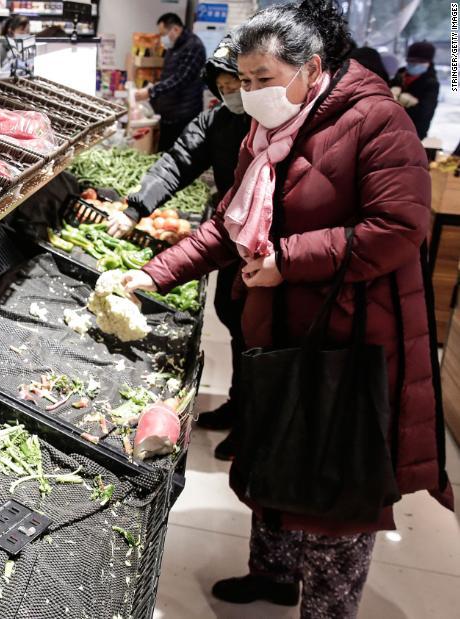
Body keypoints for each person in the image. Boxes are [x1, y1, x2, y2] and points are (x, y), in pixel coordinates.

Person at [123, 1, 454, 616]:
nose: (250, 94)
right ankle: (272, 574)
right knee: (273, 454)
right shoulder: (267, 132)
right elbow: (227, 225)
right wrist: (150, 272)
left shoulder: (378, 121)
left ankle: (327, 609)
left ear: (312, 67)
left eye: (263, 79)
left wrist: (287, 259)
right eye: (243, 82)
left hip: (350, 335)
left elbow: (397, 227)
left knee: (334, 481)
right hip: (276, 331)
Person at [108, 36, 252, 460]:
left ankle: (251, 423)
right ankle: (238, 403)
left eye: (237, 84)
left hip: (266, 247)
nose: (230, 93)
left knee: (256, 335)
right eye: (223, 85)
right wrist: (136, 207)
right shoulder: (218, 121)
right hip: (230, 239)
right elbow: (177, 162)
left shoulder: (272, 127)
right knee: (234, 318)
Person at [135, 13, 207, 152]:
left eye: (163, 34)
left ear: (175, 29)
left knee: (177, 156)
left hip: (183, 114)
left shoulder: (194, 46)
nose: (162, 38)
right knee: (164, 153)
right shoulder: (174, 46)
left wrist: (151, 91)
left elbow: (181, 79)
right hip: (170, 112)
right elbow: (168, 75)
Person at [391, 41, 439, 139]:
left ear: (428, 63)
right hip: (390, 127)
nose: (414, 64)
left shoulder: (431, 83)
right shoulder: (398, 75)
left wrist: (401, 101)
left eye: (419, 62)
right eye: (411, 61)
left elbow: (425, 113)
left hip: (413, 132)